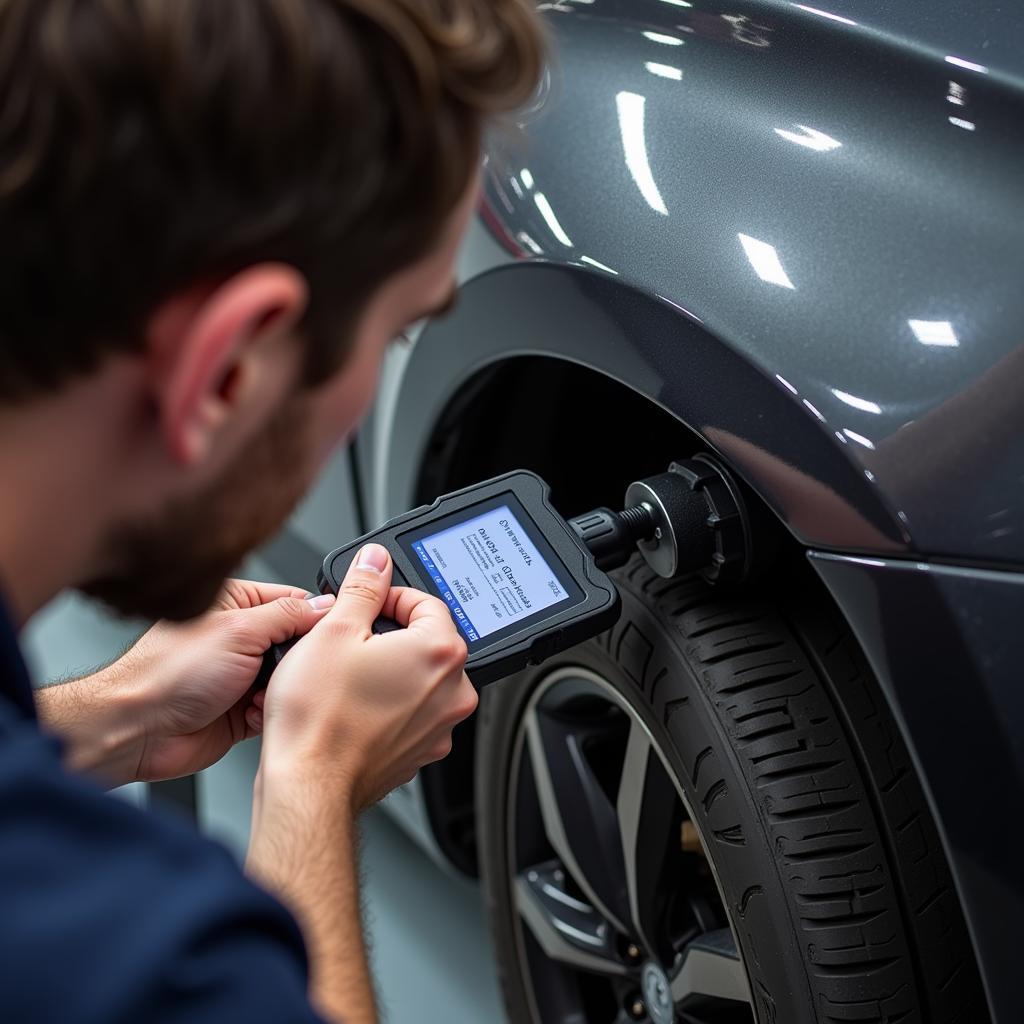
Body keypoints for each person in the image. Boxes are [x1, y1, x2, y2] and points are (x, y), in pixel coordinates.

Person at [0, 2, 544, 1022]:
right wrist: (313, 781)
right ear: (231, 370)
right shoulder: (123, 955)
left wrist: (109, 718)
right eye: (391, 335)